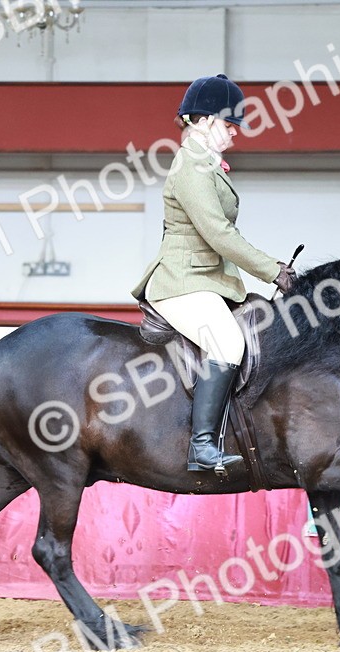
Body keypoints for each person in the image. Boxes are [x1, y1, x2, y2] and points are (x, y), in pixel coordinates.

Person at [130, 74, 296, 472]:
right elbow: (219, 234)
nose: (234, 134)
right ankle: (201, 446)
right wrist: (272, 271)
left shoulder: (205, 164)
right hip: (183, 281)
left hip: (208, 279)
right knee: (227, 343)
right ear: (202, 120)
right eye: (228, 125)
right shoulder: (191, 167)